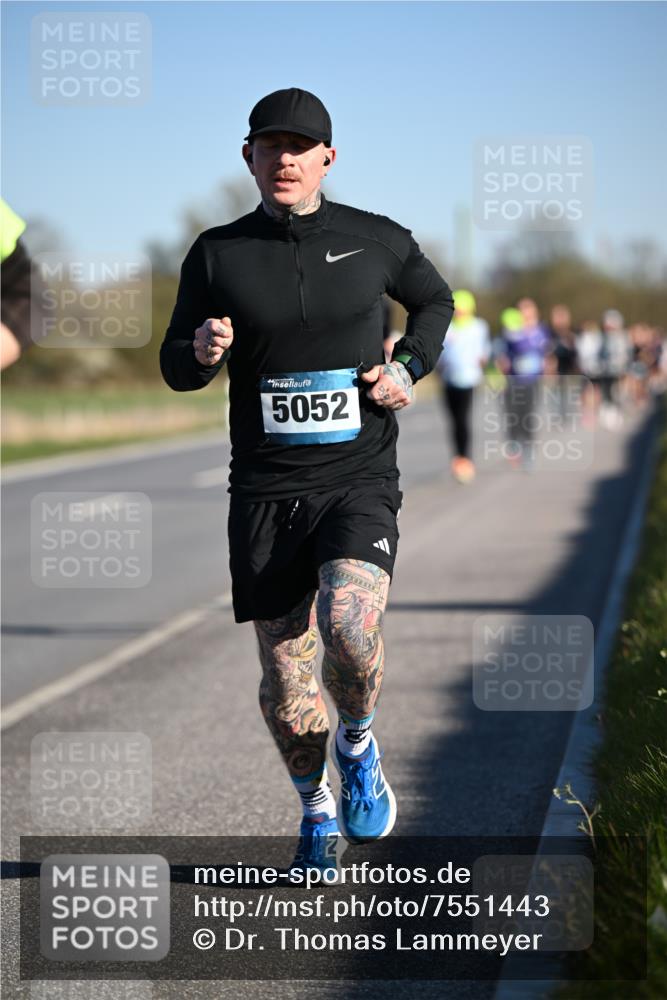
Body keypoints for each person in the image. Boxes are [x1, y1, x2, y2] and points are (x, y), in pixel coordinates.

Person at [160, 88, 454, 877]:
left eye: (300, 146)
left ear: (328, 156)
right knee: (288, 678)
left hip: (356, 474)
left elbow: (435, 301)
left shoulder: (376, 239)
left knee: (351, 628)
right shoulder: (215, 253)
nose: (284, 159)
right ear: (248, 157)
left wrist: (407, 366)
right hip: (263, 490)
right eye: (270, 146)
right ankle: (315, 812)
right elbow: (173, 368)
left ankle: (357, 745)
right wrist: (199, 350)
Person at [434, 288, 490, 483]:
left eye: (463, 309)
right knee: (453, 421)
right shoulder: (447, 328)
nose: (459, 312)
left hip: (469, 380)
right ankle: (457, 457)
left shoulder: (479, 327)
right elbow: (439, 355)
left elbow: (483, 353)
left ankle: (465, 459)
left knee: (463, 420)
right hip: (449, 380)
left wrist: (481, 364)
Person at [496, 298, 551, 469]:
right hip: (513, 379)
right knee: (513, 414)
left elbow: (545, 352)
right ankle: (514, 443)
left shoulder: (541, 331)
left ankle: (528, 451)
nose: (525, 314)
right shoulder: (511, 331)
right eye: (522, 310)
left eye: (528, 310)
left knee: (528, 415)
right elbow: (501, 353)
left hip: (532, 380)